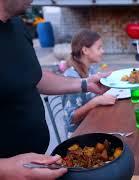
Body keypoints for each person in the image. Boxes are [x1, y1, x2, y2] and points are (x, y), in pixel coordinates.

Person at [0, 0, 107, 179]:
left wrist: (85, 84)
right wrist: (4, 169)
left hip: (39, 160)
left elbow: (34, 76)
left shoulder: (17, 25)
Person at [63, 29, 116, 134]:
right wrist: (96, 101)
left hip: (95, 122)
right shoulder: (71, 77)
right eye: (99, 48)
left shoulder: (90, 70)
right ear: (85, 50)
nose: (102, 51)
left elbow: (96, 94)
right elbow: (71, 119)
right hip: (80, 134)